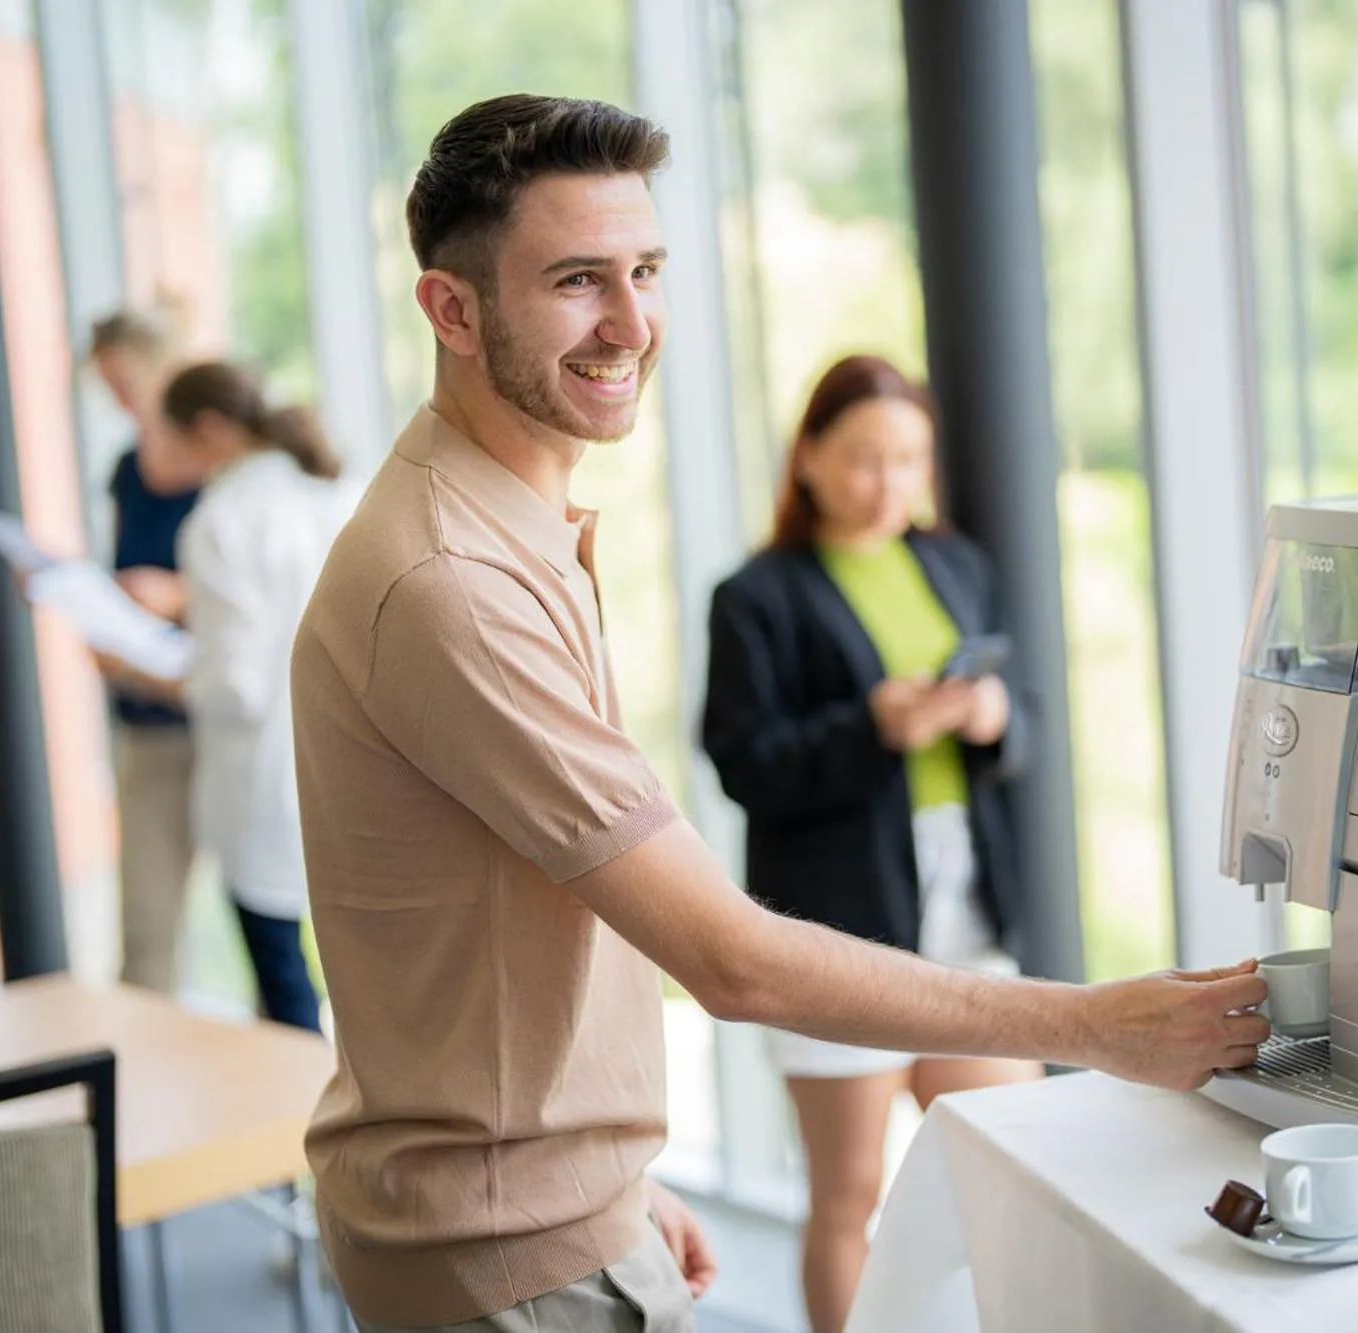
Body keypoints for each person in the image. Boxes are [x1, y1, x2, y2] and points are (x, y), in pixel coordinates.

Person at [290, 94, 1268, 1333]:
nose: (633, 323)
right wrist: (1096, 1022)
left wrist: (608, 1187)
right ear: (452, 310)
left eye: (644, 270)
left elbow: (520, 916)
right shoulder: (453, 583)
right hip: (508, 1260)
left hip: (541, 1217)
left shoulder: (507, 528)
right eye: (578, 281)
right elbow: (731, 958)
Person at [700, 353, 1041, 1333]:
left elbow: (1028, 721)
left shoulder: (955, 565)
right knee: (849, 1196)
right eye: (861, 458)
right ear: (805, 456)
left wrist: (990, 716)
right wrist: (871, 728)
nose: (887, 482)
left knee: (1007, 1171)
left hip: (961, 903)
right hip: (833, 926)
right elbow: (741, 761)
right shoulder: (755, 595)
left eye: (907, 459)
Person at [105, 361, 353, 1032]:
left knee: (283, 982)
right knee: (359, 975)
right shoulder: (334, 493)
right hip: (349, 764)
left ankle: (297, 1129)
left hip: (264, 779)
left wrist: (146, 671)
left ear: (209, 431)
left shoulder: (221, 522)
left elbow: (236, 686)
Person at [88, 309, 209, 994]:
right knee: (146, 933)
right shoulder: (128, 473)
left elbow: (275, 591)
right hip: (147, 722)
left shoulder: (226, 470)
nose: (122, 401)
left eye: (127, 381)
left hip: (222, 719)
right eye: (108, 387)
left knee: (267, 926)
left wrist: (177, 594)